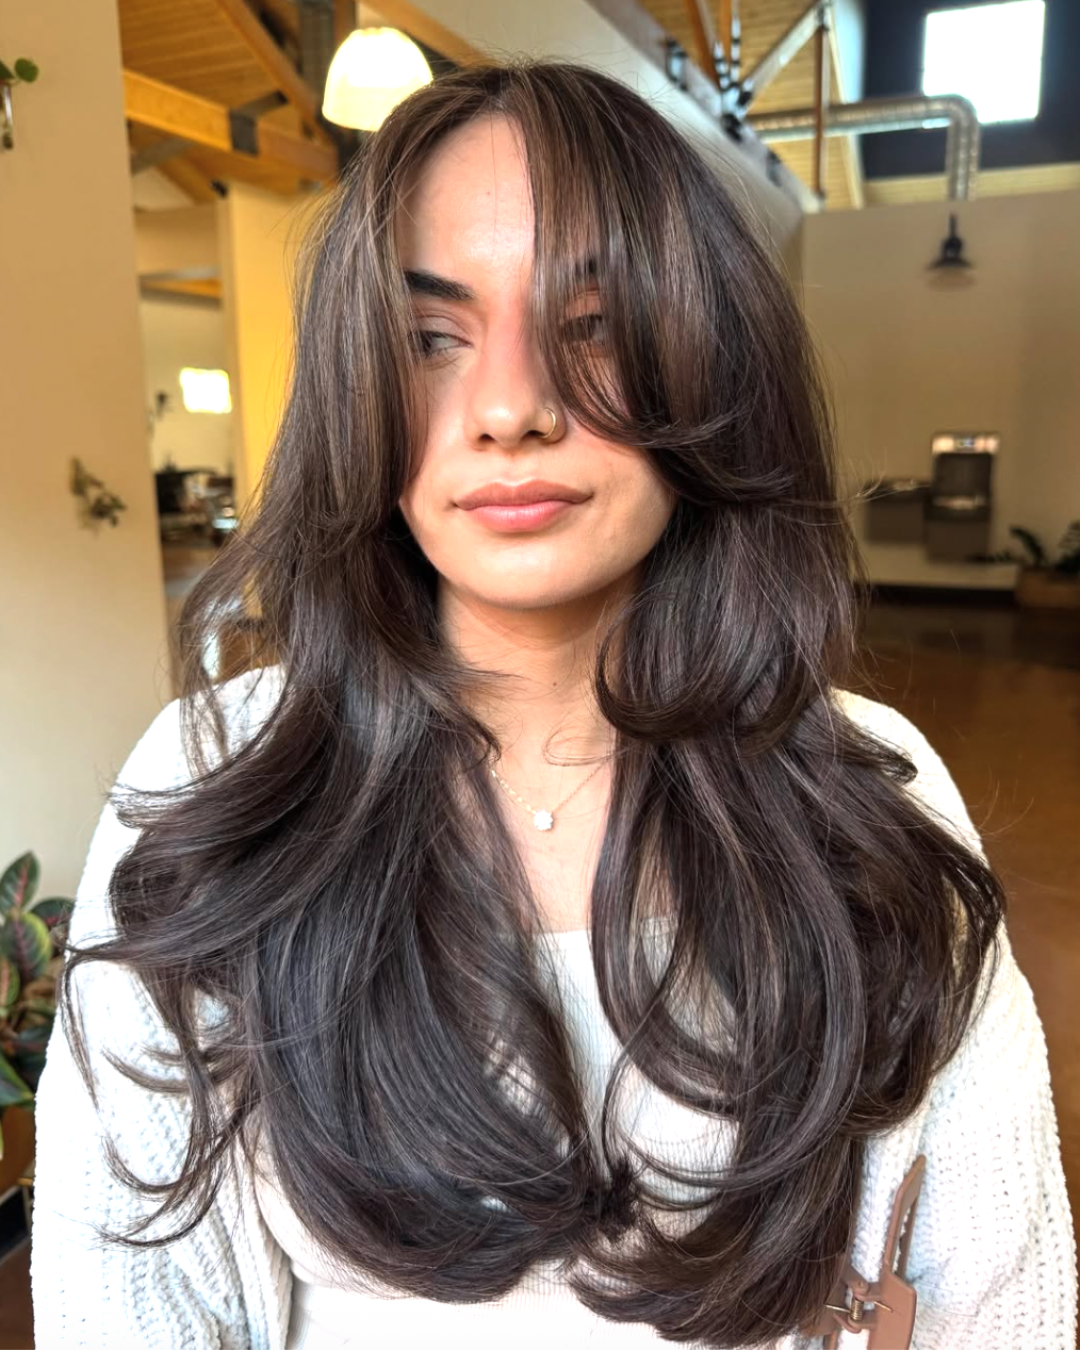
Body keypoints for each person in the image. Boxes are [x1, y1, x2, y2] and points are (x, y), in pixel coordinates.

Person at [30, 58, 1076, 1350]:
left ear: (705, 359)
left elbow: (1000, 1283)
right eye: (430, 338)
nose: (512, 409)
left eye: (591, 326)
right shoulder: (220, 773)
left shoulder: (867, 780)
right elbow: (125, 1291)